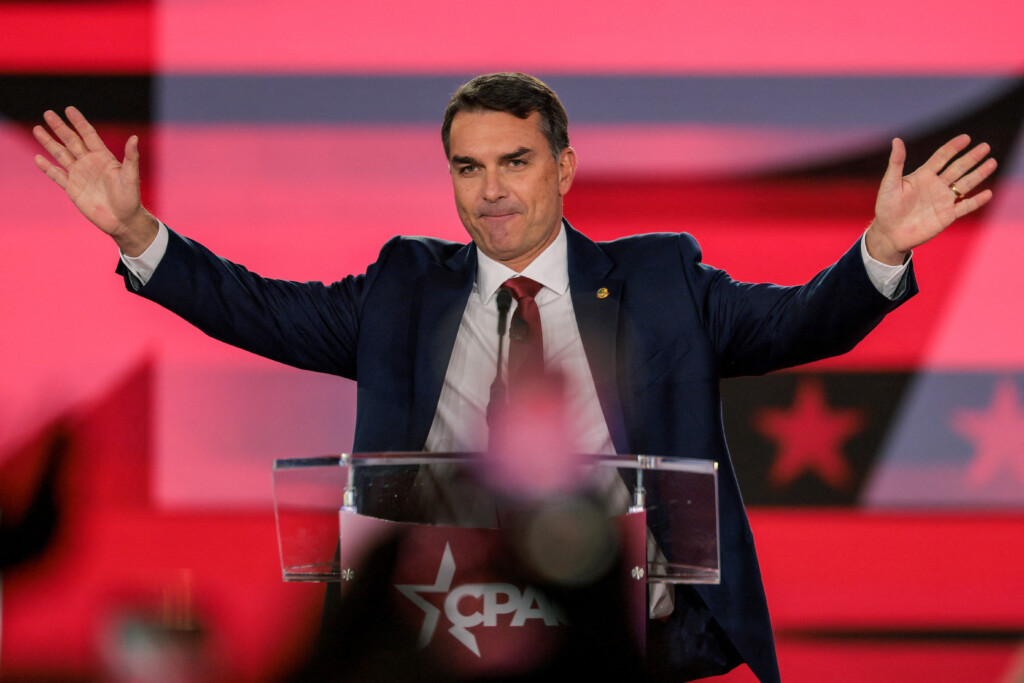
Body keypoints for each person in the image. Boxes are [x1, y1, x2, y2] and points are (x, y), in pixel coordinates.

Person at [33, 72, 996, 682]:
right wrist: (135, 235)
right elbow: (260, 307)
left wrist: (877, 248)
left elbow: (799, 322)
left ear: (565, 166)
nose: (490, 188)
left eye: (515, 161)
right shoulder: (406, 285)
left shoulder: (661, 279)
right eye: (468, 167)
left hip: (617, 629)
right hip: (427, 629)